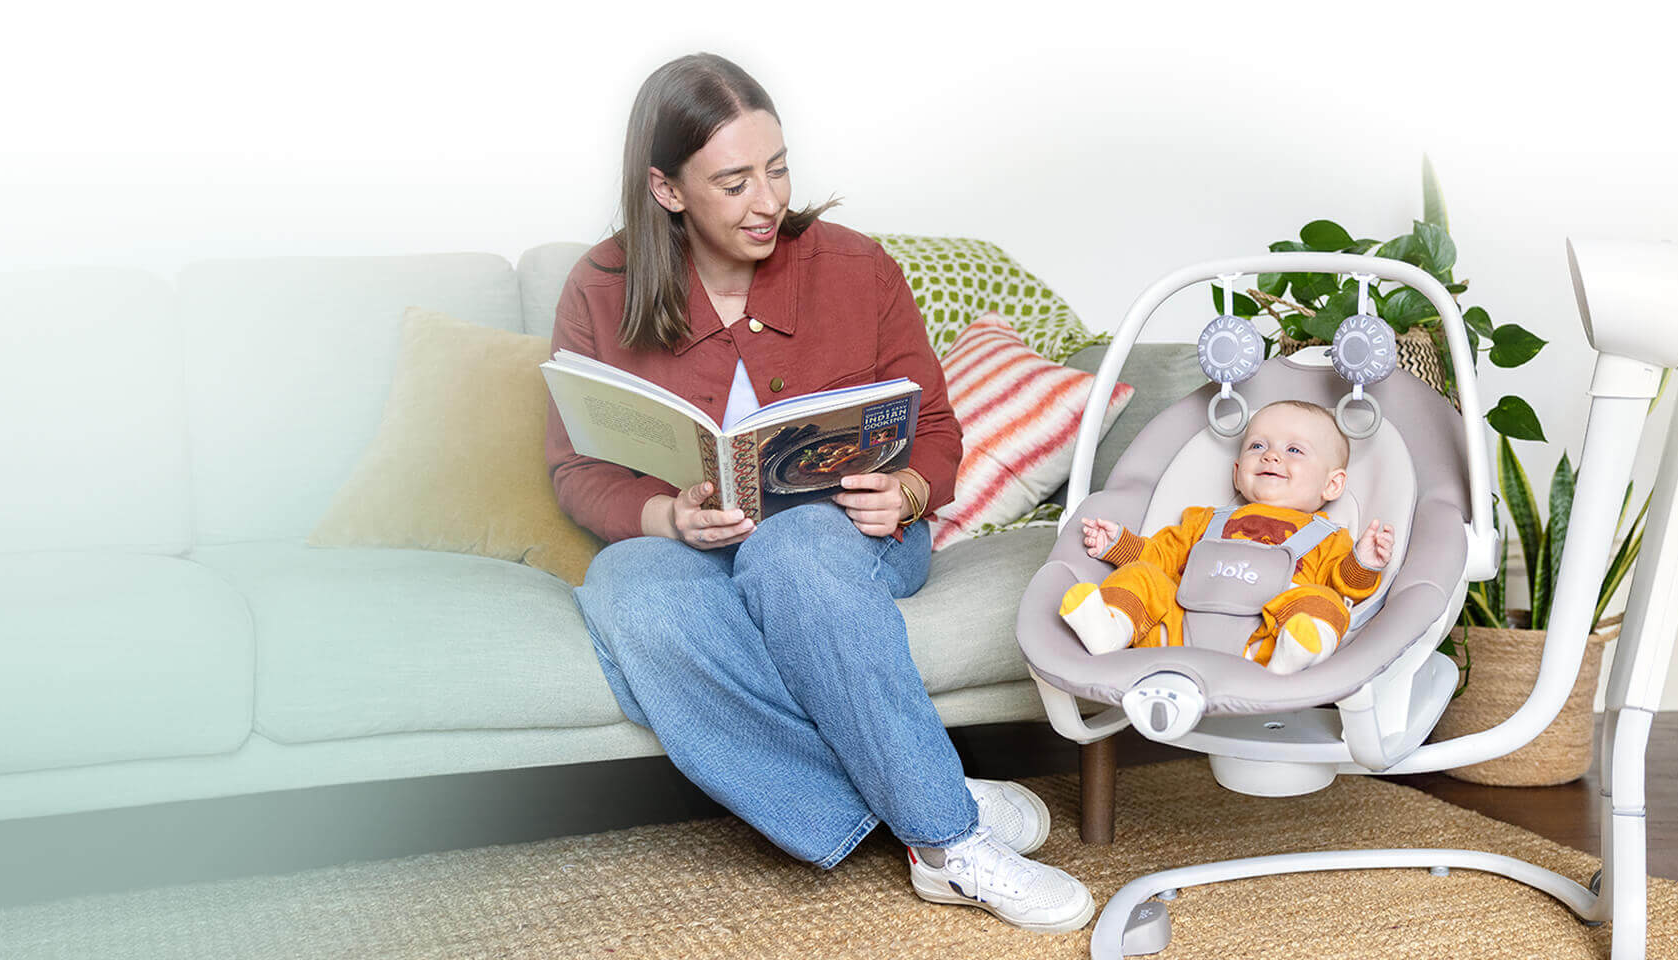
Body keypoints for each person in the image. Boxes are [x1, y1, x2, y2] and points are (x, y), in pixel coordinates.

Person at [547, 53, 1095, 935]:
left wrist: (907, 491)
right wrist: (665, 516)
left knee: (792, 545)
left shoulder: (854, 267)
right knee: (630, 589)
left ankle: (951, 845)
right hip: (696, 545)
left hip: (848, 534)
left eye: (778, 169)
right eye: (734, 183)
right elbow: (577, 470)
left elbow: (938, 430)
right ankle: (927, 800)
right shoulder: (600, 287)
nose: (767, 201)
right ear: (666, 189)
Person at [1060, 400, 1397, 674]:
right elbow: (1160, 558)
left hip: (1266, 643)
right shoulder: (1205, 520)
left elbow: (1344, 586)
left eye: (1294, 450)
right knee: (1141, 575)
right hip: (1176, 631)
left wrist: (1364, 562)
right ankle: (1112, 629)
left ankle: (1296, 653)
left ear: (1332, 484)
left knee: (1324, 601)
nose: (1271, 455)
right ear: (1237, 473)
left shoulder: (1328, 537)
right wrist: (1120, 545)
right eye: (1257, 445)